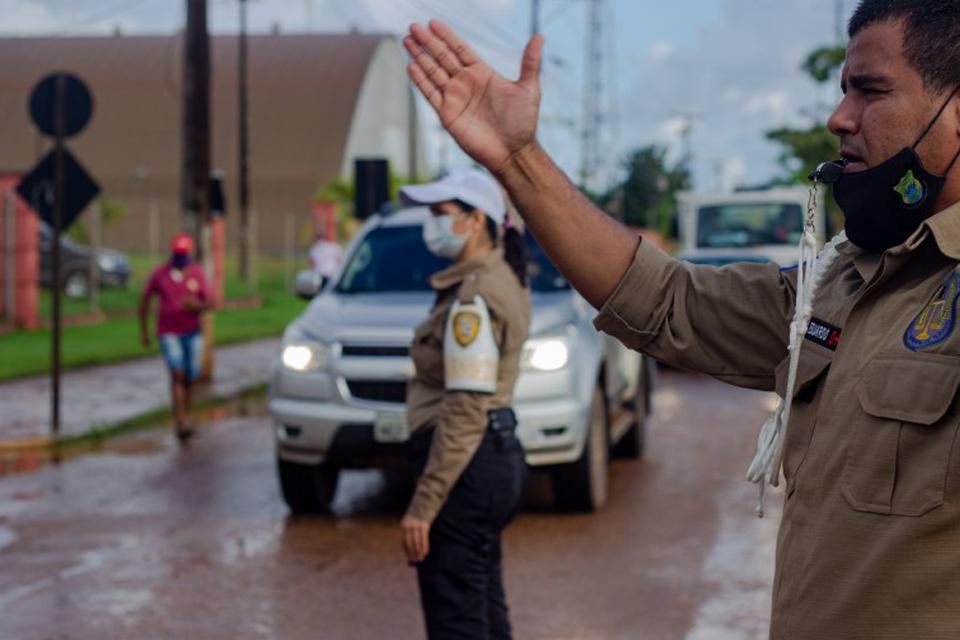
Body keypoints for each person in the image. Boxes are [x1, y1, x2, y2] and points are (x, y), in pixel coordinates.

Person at [403, 1, 960, 637]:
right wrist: (517, 160)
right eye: (843, 91)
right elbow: (666, 299)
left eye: (870, 91)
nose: (839, 118)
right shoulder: (843, 282)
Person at [399, 168, 531, 639]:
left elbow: (464, 408)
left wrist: (424, 503)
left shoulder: (474, 299)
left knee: (457, 618)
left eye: (440, 213)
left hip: (465, 466)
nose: (430, 223)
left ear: (476, 220)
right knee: (482, 603)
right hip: (491, 456)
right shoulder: (499, 278)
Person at [139, 233, 211, 442]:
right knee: (177, 373)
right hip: (168, 332)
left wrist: (196, 306)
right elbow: (145, 300)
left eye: (184, 253)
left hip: (192, 332)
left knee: (190, 376)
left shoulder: (196, 273)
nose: (181, 257)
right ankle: (180, 421)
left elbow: (209, 301)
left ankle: (185, 414)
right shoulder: (160, 274)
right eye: (178, 253)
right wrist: (144, 330)